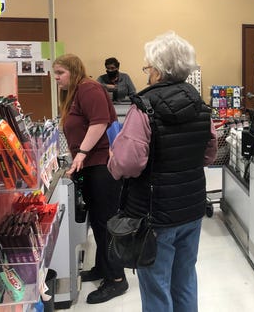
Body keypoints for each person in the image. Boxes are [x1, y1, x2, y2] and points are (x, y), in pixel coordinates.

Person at [108, 31, 218, 312]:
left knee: (156, 286)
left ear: (158, 69)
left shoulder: (144, 108)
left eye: (148, 67)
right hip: (191, 209)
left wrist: (113, 158)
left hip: (153, 215)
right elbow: (209, 154)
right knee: (185, 278)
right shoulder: (200, 105)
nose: (147, 73)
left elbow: (128, 164)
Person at [52, 54, 127, 304]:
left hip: (101, 166)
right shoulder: (76, 92)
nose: (56, 78)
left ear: (73, 71)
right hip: (90, 166)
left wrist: (81, 153)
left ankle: (117, 280)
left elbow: (99, 123)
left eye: (60, 72)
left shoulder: (89, 88)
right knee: (97, 222)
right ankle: (102, 268)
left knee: (106, 225)